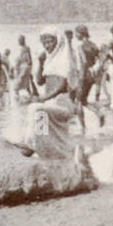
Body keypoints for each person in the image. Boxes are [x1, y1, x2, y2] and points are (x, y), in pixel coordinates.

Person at [24, 28, 81, 160]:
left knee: (35, 108)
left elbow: (61, 86)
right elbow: (39, 81)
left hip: (63, 103)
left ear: (58, 42)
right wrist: (40, 62)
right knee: (39, 114)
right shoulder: (49, 60)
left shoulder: (65, 59)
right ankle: (41, 146)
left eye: (50, 42)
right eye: (45, 43)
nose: (47, 46)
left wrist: (42, 99)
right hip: (50, 103)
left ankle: (29, 144)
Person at [13, 34, 36, 99]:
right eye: (19, 40)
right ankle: (28, 94)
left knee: (20, 81)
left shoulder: (25, 48)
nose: (19, 41)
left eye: (20, 40)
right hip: (21, 66)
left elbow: (27, 58)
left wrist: (29, 65)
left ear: (23, 40)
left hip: (24, 66)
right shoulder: (23, 48)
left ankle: (17, 96)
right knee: (25, 81)